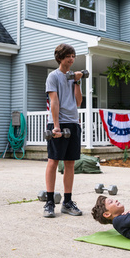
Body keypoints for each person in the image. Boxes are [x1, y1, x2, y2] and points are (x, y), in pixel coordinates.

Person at [43, 43, 85, 218]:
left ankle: (67, 202)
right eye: (68, 55)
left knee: (70, 163)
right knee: (53, 161)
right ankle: (50, 202)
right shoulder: (53, 76)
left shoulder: (72, 77)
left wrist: (76, 81)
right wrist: (56, 125)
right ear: (60, 57)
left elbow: (78, 102)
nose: (72, 58)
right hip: (57, 123)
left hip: (73, 123)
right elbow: (54, 102)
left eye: (74, 55)